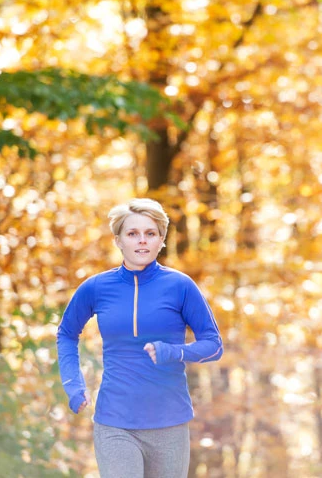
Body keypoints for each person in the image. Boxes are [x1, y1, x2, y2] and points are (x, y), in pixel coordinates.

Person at [57, 198, 223, 478]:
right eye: (132, 234)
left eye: (150, 234)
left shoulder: (180, 286)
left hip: (169, 423)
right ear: (118, 240)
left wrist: (175, 352)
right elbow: (66, 333)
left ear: (161, 240)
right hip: (115, 422)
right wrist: (74, 384)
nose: (142, 241)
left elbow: (214, 345)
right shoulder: (96, 287)